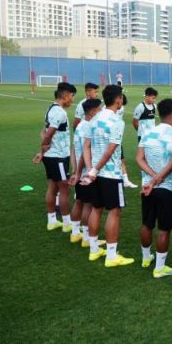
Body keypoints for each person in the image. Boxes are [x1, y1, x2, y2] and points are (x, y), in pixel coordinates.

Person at [82, 84, 134, 267]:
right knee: (114, 212)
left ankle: (94, 250)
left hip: (95, 174)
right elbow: (111, 151)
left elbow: (86, 146)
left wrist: (90, 169)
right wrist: (95, 170)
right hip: (110, 174)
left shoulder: (94, 119)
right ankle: (111, 256)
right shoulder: (117, 122)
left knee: (96, 208)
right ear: (118, 99)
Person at [136, 98, 172, 278]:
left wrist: (152, 176)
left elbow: (139, 158)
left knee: (147, 223)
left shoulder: (148, 133)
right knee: (164, 228)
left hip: (147, 186)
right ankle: (159, 268)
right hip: (167, 188)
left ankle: (146, 258)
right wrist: (159, 177)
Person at [32, 82, 77, 231]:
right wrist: (42, 150)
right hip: (58, 157)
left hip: (51, 156)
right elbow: (48, 134)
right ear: (64, 96)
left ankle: (51, 220)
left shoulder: (50, 108)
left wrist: (42, 153)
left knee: (52, 186)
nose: (72, 99)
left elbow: (43, 132)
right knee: (64, 189)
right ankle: (66, 223)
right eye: (71, 96)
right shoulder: (60, 112)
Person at [70, 98, 104, 246]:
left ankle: (75, 233)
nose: (102, 111)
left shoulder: (80, 126)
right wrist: (81, 172)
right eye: (100, 108)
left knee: (79, 201)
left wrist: (74, 168)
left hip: (79, 170)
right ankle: (86, 238)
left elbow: (73, 149)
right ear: (93, 111)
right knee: (88, 205)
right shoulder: (89, 126)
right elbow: (85, 152)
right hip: (85, 173)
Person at [117, 94, 138, 189]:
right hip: (112, 140)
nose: (122, 106)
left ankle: (125, 180)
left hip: (117, 140)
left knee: (122, 160)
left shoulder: (120, 108)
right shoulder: (108, 112)